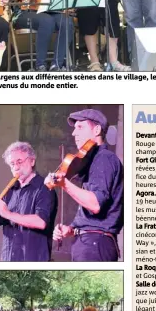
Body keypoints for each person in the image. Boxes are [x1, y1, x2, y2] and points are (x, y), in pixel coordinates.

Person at [46, 109, 123, 262]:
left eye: (80, 127)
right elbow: (91, 213)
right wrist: (71, 229)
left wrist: (64, 183)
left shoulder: (104, 159)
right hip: (89, 241)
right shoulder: (92, 161)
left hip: (96, 243)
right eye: (75, 128)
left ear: (97, 130)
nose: (74, 133)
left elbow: (95, 204)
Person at [0, 141, 58, 261]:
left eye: (19, 162)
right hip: (8, 259)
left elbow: (40, 222)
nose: (15, 167)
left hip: (34, 260)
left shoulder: (45, 187)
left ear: (32, 161)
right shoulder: (9, 190)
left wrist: (8, 214)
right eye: (12, 164)